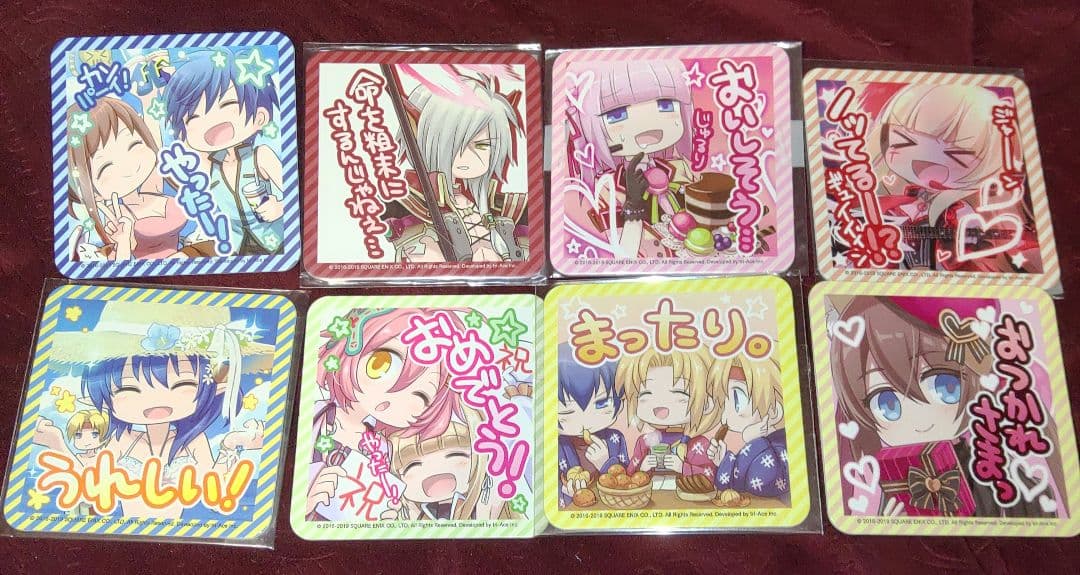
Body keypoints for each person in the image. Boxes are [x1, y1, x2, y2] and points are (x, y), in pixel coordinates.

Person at [165, 48, 285, 255]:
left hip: (275, 241)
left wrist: (280, 207)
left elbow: (296, 196)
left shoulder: (261, 156)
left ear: (260, 116)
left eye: (228, 103)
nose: (211, 122)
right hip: (234, 248)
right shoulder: (207, 166)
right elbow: (174, 166)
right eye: (194, 117)